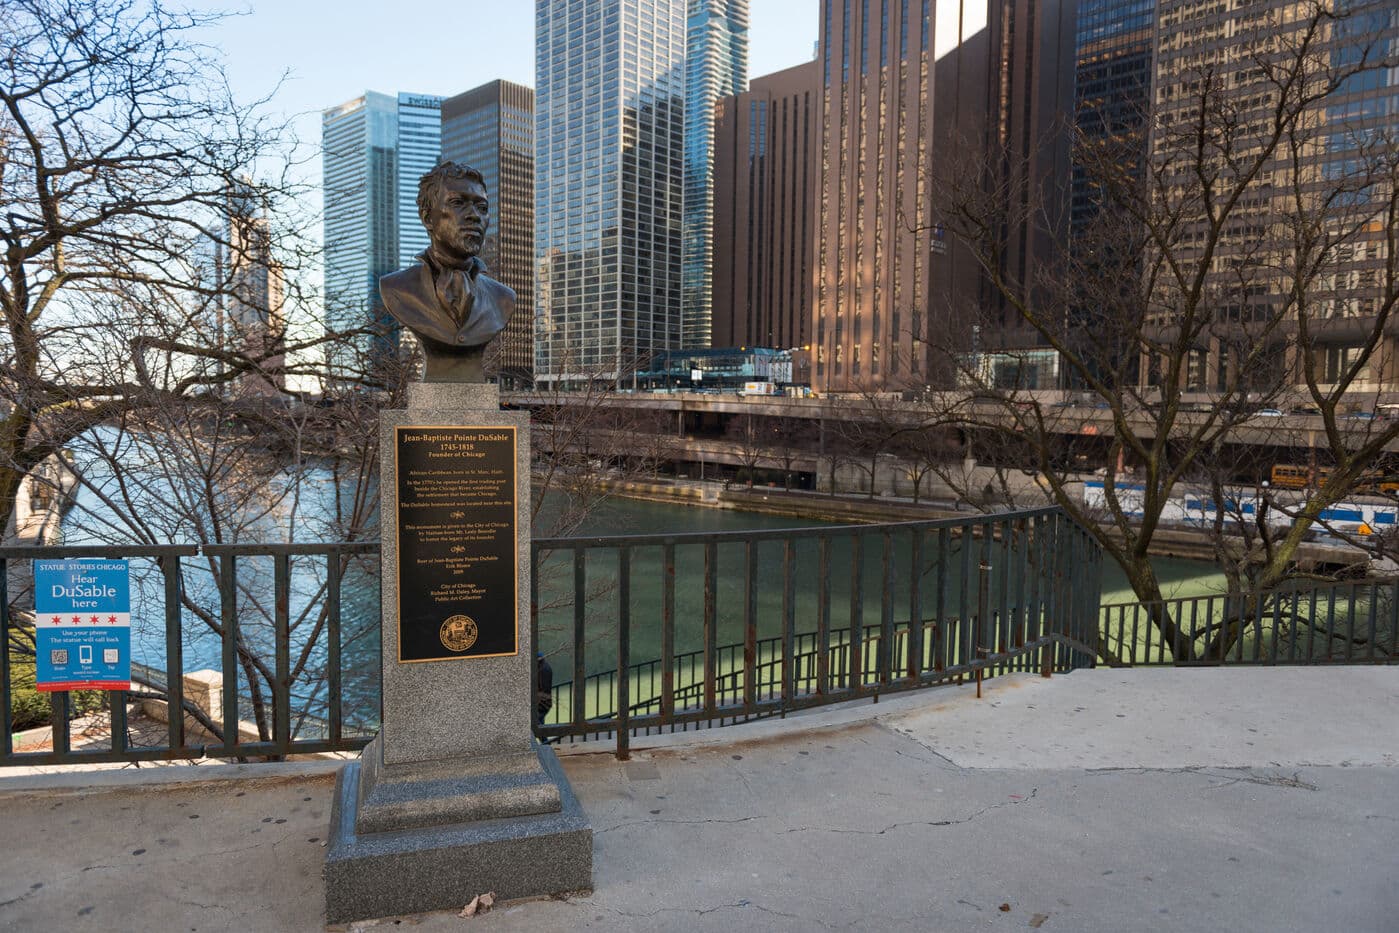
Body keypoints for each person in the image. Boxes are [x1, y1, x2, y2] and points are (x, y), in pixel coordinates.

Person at [378, 161, 515, 383]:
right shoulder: (396, 288)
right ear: (427, 217)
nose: (474, 216)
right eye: (458, 203)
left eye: (482, 207)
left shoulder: (504, 299)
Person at [535, 652, 554, 730]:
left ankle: (545, 742)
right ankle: (545, 742)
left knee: (536, 723)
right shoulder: (545, 667)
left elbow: (543, 687)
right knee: (540, 724)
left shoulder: (542, 669)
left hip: (542, 702)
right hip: (544, 702)